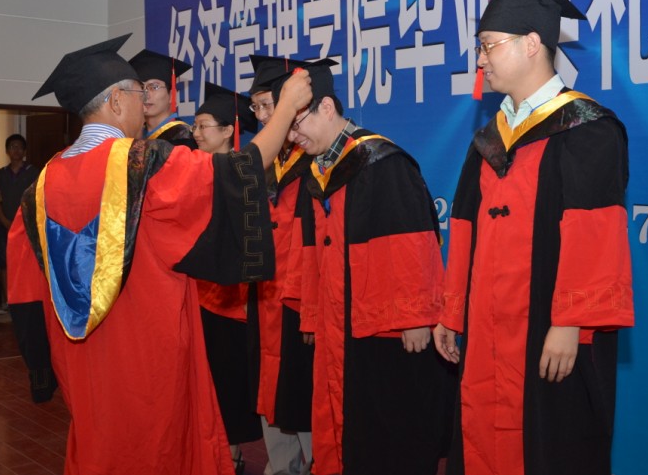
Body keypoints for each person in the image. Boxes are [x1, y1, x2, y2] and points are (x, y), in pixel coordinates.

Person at [6, 34, 312, 475]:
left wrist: (41, 370)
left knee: (98, 445)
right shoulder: (144, 164)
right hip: (150, 353)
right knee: (158, 449)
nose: (144, 104)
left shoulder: (38, 188)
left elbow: (24, 295)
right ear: (115, 102)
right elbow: (236, 174)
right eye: (138, 93)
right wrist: (286, 109)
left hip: (78, 360)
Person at [432, 0, 635, 475]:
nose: (480, 59)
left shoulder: (587, 129)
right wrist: (452, 312)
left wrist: (570, 323)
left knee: (552, 444)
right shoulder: (489, 139)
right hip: (487, 325)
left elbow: (595, 235)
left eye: (488, 45)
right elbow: (464, 228)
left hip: (550, 328)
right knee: (482, 431)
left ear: (531, 43)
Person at [285, 63, 455, 475]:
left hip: (385, 328)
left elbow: (413, 242)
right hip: (341, 321)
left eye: (296, 124)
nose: (292, 137)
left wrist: (416, 317)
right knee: (349, 423)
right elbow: (313, 253)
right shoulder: (320, 171)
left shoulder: (381, 161)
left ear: (327, 108)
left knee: (389, 428)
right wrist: (313, 314)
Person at [247, 56, 321, 475]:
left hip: (299, 298)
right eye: (255, 107)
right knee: (269, 388)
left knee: (302, 391)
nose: (260, 116)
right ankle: (280, 468)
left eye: (266, 106)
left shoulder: (315, 160)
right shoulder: (261, 163)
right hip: (265, 295)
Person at [193, 82, 264, 475]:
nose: (196, 133)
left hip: (234, 297)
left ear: (227, 131)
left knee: (231, 378)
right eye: (195, 126)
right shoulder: (191, 171)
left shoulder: (244, 175)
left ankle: (233, 451)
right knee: (208, 379)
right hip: (200, 293)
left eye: (203, 126)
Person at [0, 133, 39, 312]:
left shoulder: (33, 172)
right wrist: (4, 220)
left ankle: (26, 299)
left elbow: (37, 199)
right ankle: (7, 301)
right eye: (13, 147)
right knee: (4, 263)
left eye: (20, 147)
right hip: (4, 225)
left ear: (24, 151)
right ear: (7, 151)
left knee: (27, 262)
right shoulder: (0, 174)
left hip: (27, 226)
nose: (16, 150)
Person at [128, 48, 196, 147]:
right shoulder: (134, 135)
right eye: (141, 88)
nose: (146, 94)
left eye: (154, 87)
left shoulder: (183, 137)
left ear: (172, 95)